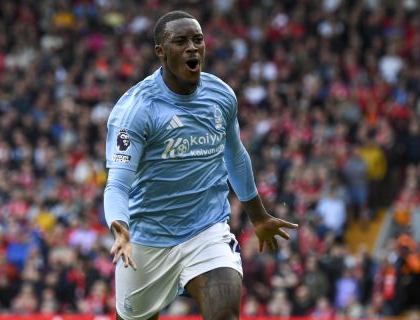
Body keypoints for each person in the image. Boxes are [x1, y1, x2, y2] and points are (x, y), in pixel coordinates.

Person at [103, 10, 298, 320]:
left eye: (198, 40)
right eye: (180, 41)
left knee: (225, 315)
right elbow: (117, 184)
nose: (192, 48)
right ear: (161, 51)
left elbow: (235, 156)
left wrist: (258, 217)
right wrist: (120, 230)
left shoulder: (221, 95)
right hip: (147, 242)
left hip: (206, 231)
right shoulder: (136, 110)